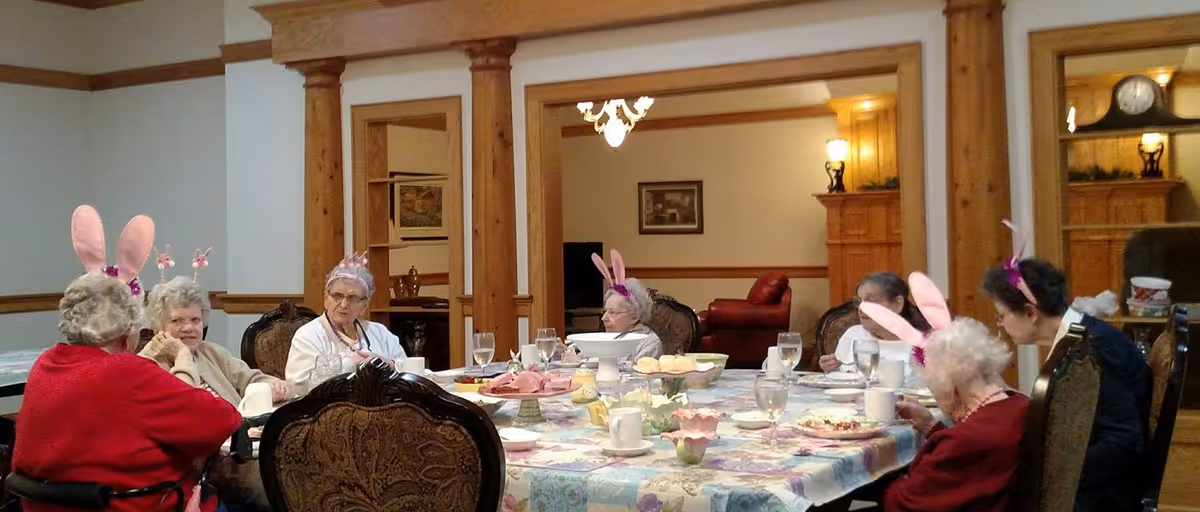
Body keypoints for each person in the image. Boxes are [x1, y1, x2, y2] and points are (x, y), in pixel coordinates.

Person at [13, 206, 241, 512]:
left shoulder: (45, 364)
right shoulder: (126, 370)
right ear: (127, 333)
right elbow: (222, 420)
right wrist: (184, 362)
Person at [982, 257, 1150, 511]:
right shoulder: (1078, 340)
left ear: (1031, 312)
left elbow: (1123, 440)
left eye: (1001, 315)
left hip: (1102, 495)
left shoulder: (1094, 351)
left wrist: (1050, 473)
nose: (1000, 324)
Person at [857, 316, 1029, 511]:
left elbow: (904, 503)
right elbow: (964, 460)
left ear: (949, 387)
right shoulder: (1018, 404)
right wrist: (930, 425)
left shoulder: (967, 441)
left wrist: (880, 488)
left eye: (933, 387)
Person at [141, 276, 288, 406]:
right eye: (176, 321)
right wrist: (181, 355)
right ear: (157, 326)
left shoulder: (213, 353)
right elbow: (184, 407)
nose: (188, 328)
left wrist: (271, 386)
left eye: (195, 320)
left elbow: (252, 379)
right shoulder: (148, 365)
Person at [286, 252, 407, 390]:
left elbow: (410, 370)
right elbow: (297, 386)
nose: (343, 304)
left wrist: (387, 363)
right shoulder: (308, 335)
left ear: (364, 305)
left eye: (353, 298)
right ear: (326, 298)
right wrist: (350, 363)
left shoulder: (379, 332)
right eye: (337, 296)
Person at [819, 272, 931, 374]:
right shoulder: (853, 335)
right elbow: (840, 383)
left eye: (871, 301)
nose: (861, 308)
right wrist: (832, 369)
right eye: (859, 301)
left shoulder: (924, 345)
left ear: (898, 304)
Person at [592, 250, 663, 360]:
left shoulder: (649, 342)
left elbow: (639, 374)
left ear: (634, 316)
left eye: (613, 312)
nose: (604, 318)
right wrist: (563, 353)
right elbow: (580, 362)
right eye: (605, 311)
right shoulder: (605, 338)